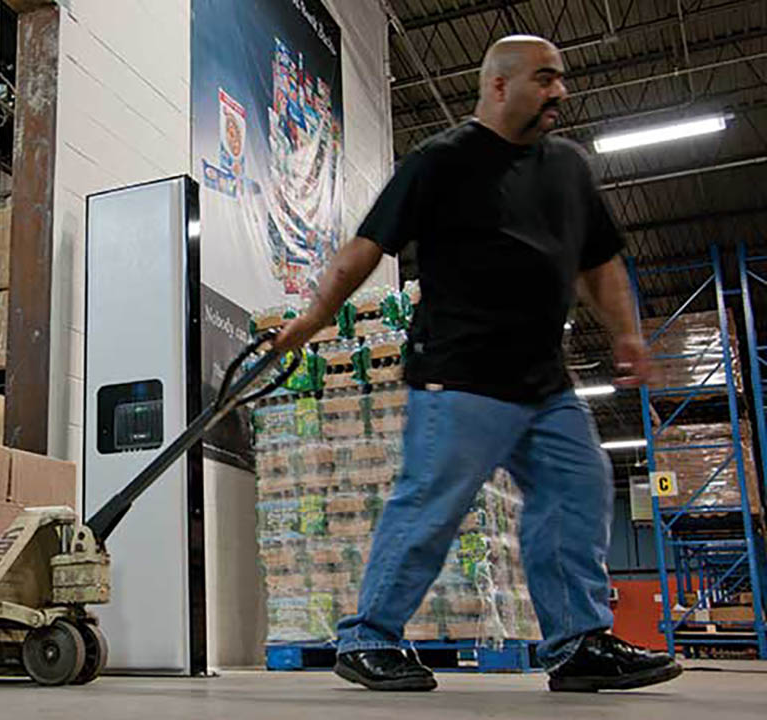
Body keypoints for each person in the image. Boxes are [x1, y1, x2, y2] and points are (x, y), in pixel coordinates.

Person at [276, 35, 682, 693]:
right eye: (545, 79)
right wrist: (316, 318)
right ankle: (369, 638)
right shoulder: (441, 161)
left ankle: (577, 642)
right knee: (433, 506)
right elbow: (364, 248)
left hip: (543, 381)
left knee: (577, 488)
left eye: (561, 79)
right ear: (498, 85)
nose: (560, 92)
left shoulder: (569, 169)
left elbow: (600, 263)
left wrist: (628, 336)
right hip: (458, 375)